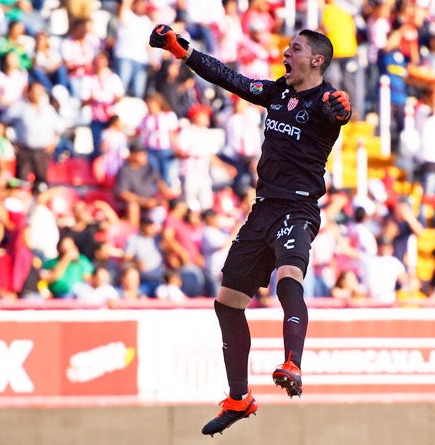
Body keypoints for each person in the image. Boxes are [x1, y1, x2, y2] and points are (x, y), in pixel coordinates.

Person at [150, 24, 352, 435]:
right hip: (262, 211)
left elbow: (339, 113)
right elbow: (229, 78)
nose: (285, 53)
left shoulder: (324, 102)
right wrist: (179, 50)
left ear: (316, 60)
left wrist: (343, 110)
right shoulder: (279, 92)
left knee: (289, 276)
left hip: (298, 207)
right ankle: (239, 399)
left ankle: (293, 363)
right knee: (227, 303)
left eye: (294, 49)